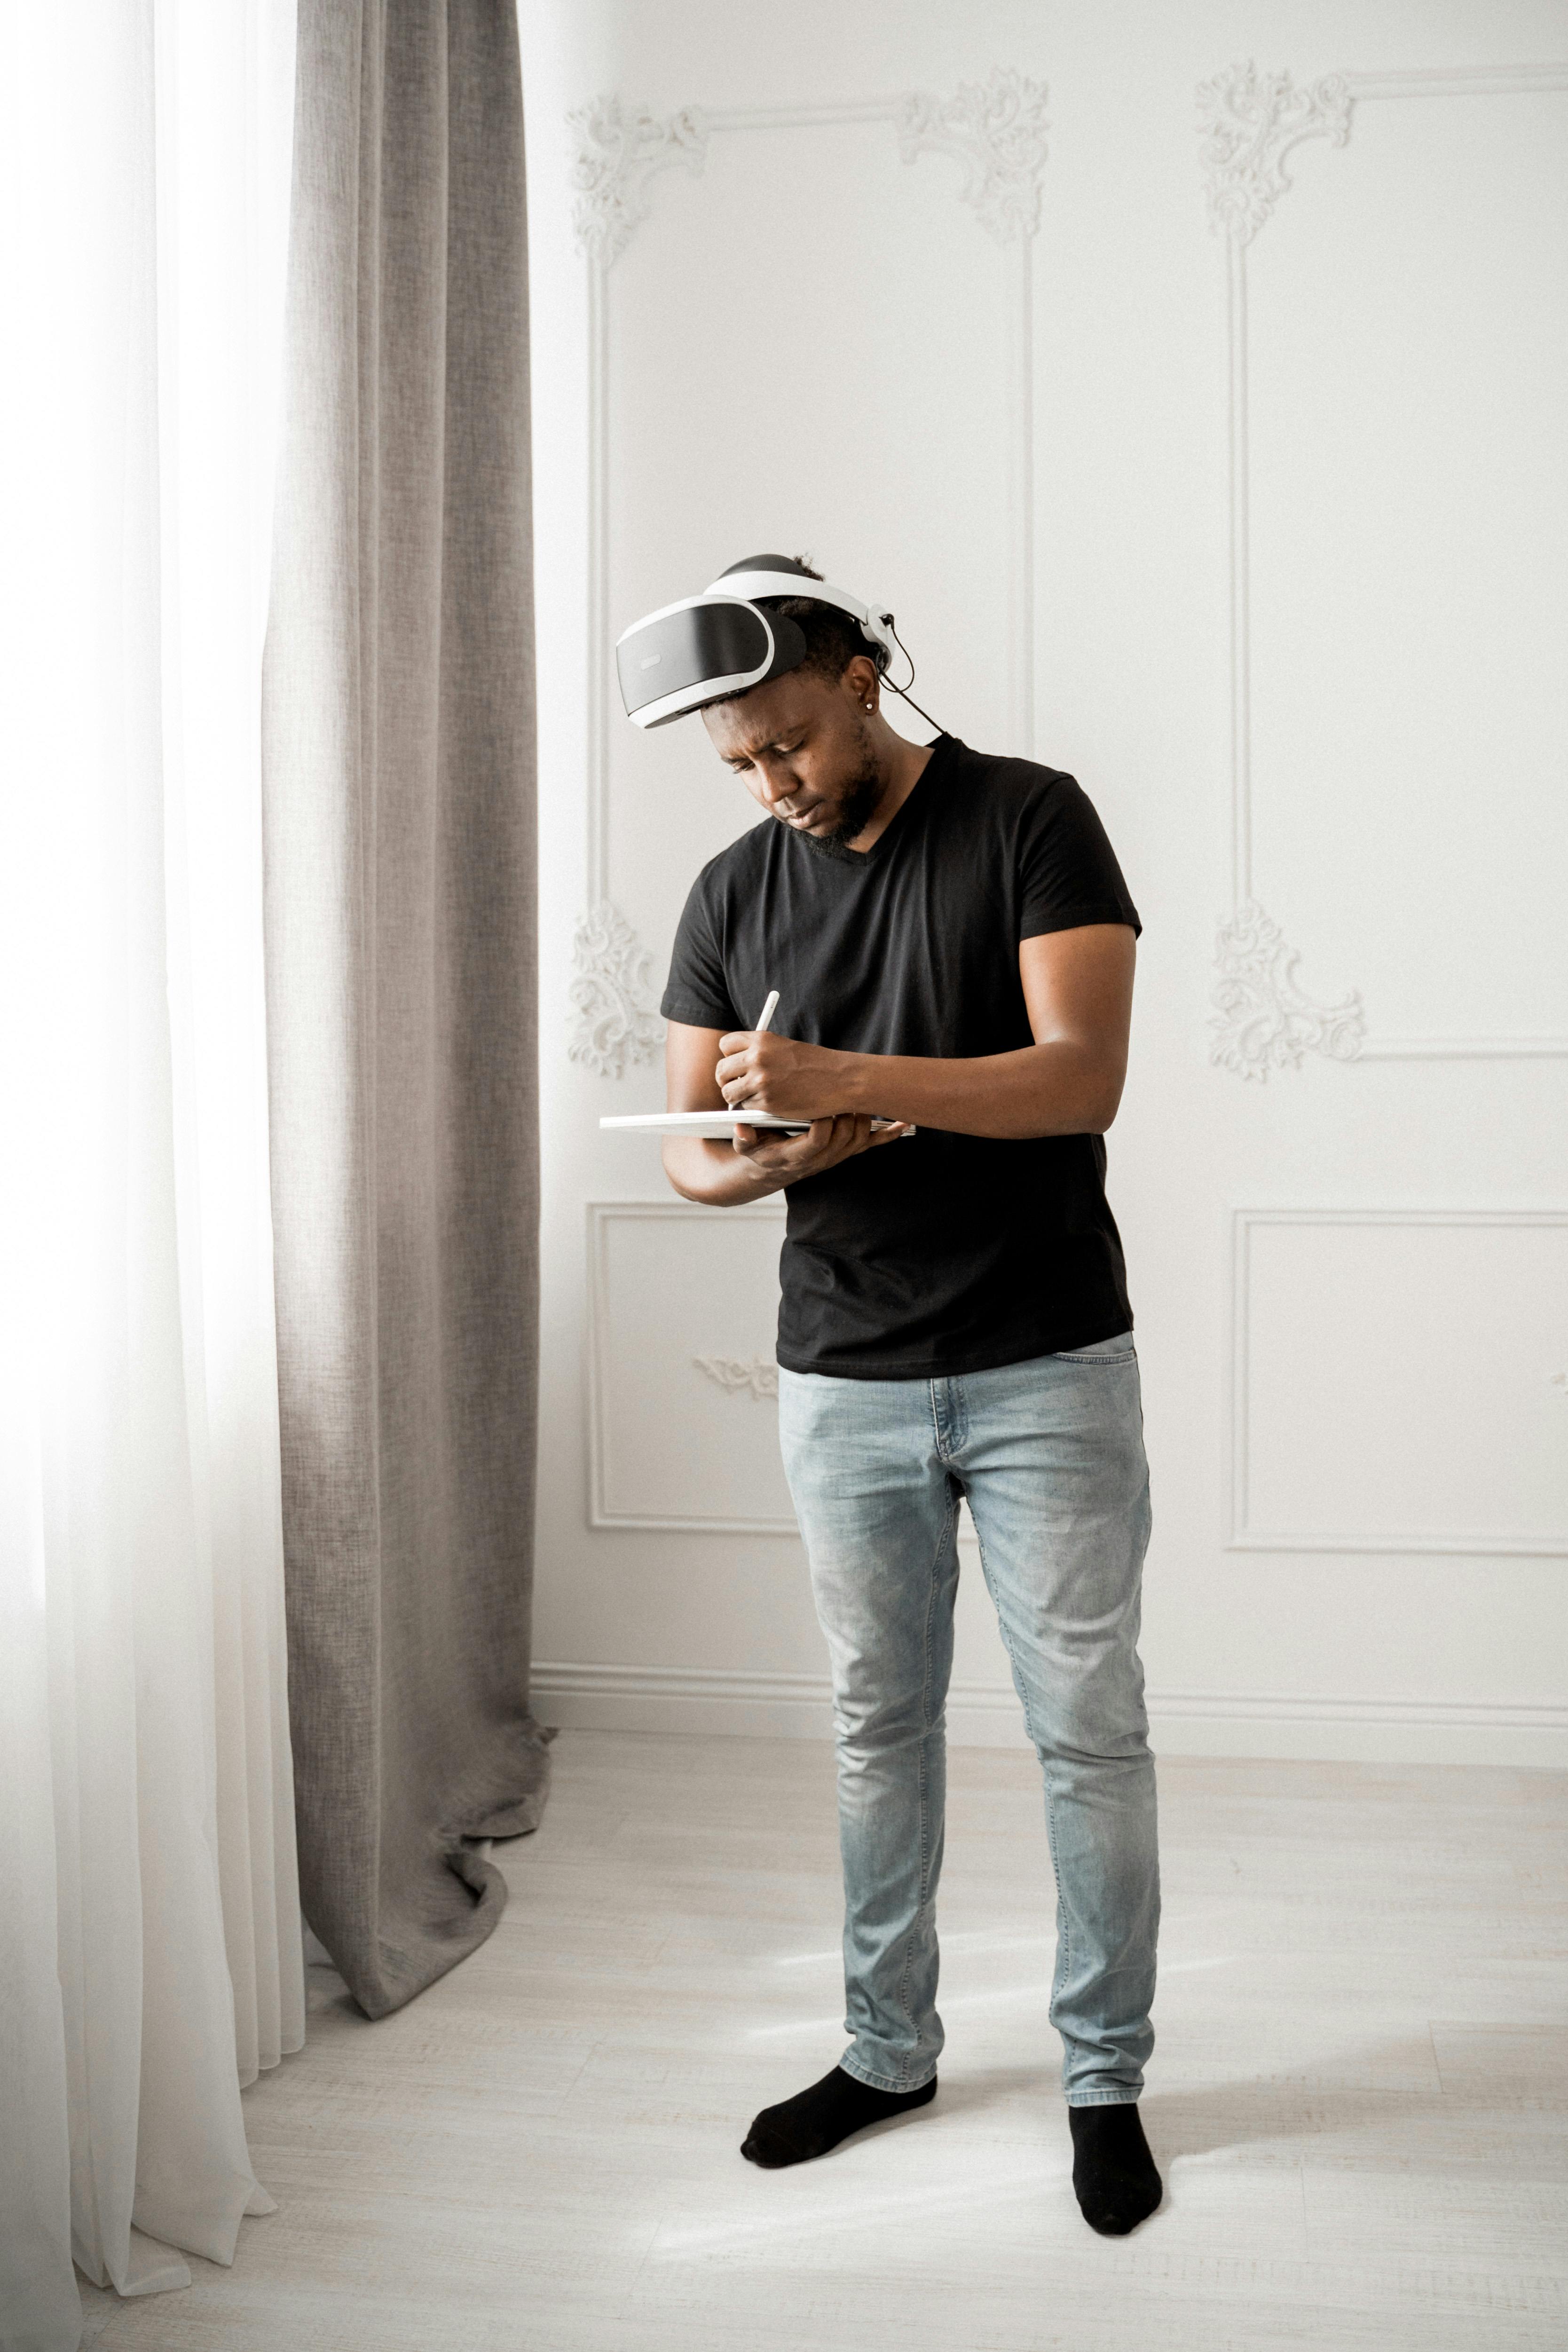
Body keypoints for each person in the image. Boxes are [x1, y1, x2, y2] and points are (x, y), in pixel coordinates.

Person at [650, 557, 1161, 2237]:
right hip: (844, 1371)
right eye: (740, 766)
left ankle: (1105, 2079)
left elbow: (1080, 1073)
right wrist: (777, 1154)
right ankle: (887, 2051)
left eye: (788, 743)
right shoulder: (733, 891)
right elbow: (689, 1150)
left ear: (863, 678)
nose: (772, 786)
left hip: (1045, 1358)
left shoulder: (1032, 818)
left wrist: (848, 1079)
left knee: (1085, 1729)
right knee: (881, 1728)